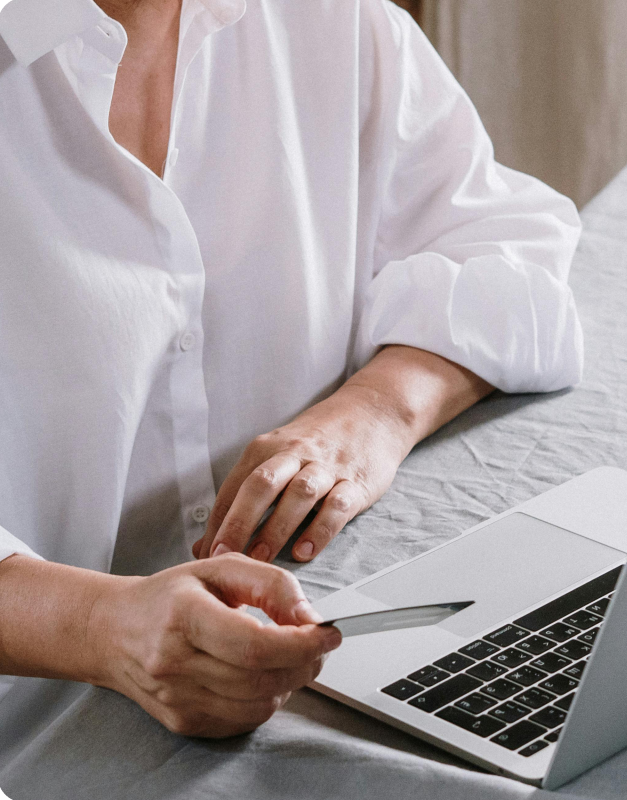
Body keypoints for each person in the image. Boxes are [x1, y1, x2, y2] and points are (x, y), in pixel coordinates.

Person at [0, 0, 583, 763]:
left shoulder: (329, 19)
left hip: (289, 699)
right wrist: (102, 627)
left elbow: (505, 242)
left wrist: (376, 408)